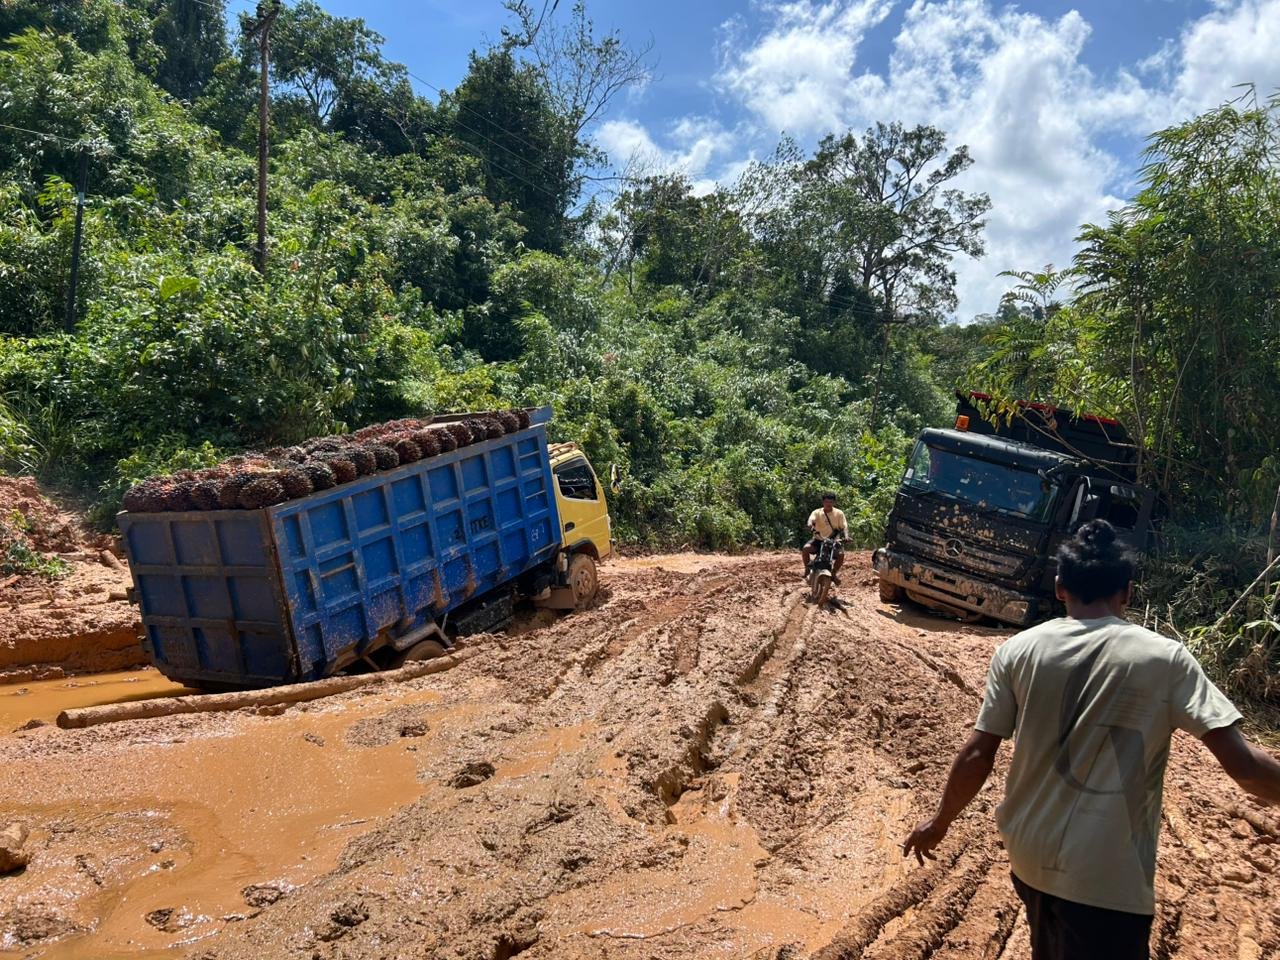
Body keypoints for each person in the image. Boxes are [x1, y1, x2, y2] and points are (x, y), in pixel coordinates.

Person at [901, 519, 1280, 960]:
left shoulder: (1017, 651)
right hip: (1106, 877)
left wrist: (941, 820)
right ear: (1128, 592)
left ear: (1060, 587)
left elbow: (977, 753)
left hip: (1029, 858)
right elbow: (1247, 768)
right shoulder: (1166, 659)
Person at [802, 492, 846, 584]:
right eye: (827, 502)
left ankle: (833, 573)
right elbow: (811, 520)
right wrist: (810, 525)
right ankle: (807, 568)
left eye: (831, 502)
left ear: (834, 503)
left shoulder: (839, 513)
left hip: (833, 541)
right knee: (806, 549)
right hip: (818, 539)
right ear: (823, 502)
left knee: (841, 554)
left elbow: (844, 527)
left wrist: (846, 536)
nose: (829, 504)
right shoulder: (817, 512)